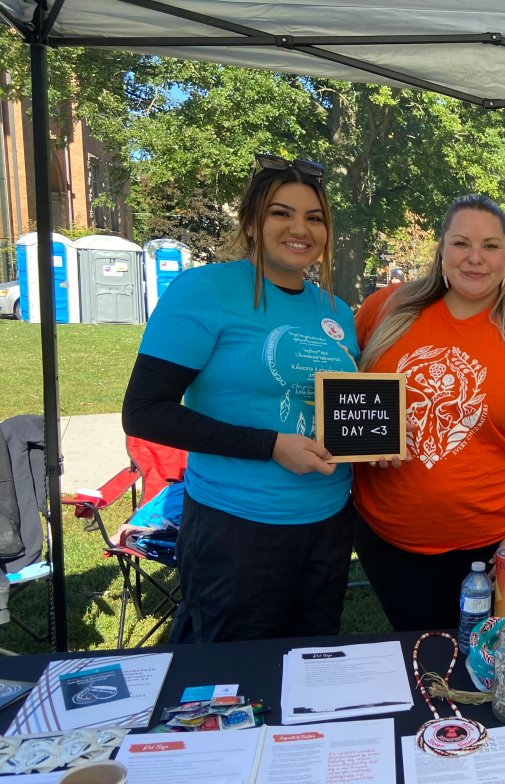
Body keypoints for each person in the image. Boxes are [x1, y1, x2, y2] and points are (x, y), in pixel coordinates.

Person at [123, 153, 359, 642]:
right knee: (232, 686)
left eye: (314, 218)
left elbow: (342, 411)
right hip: (238, 528)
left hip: (329, 525)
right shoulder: (204, 290)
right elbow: (145, 413)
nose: (301, 228)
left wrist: (372, 444)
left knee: (312, 674)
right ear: (252, 221)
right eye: (281, 213)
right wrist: (271, 445)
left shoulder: (337, 310)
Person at [353, 194, 505, 631]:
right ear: (441, 252)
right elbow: (347, 398)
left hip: (498, 542)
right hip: (390, 543)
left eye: (491, 246)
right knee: (422, 663)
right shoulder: (385, 309)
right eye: (461, 243)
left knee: (502, 669)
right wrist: (365, 439)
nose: (475, 258)